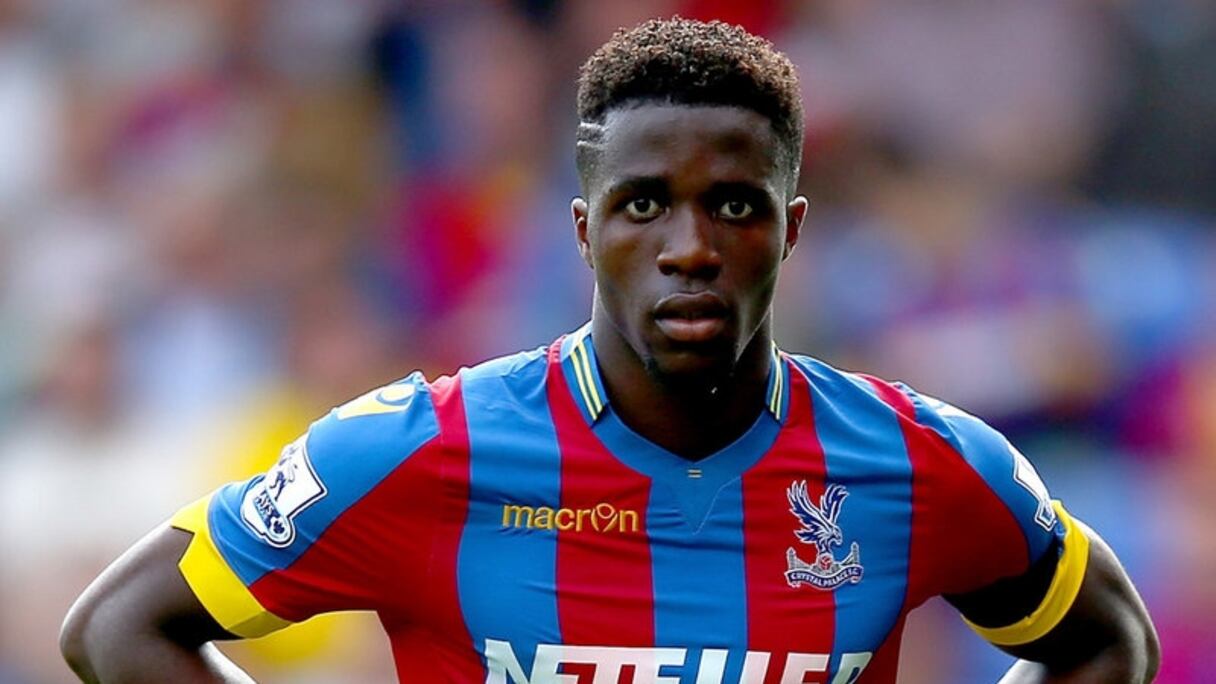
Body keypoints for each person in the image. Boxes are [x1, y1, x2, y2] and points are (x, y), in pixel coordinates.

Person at [60, 18, 1159, 684]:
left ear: (791, 230)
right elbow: (121, 627)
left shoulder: (918, 465)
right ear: (584, 231)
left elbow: (1107, 640)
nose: (690, 248)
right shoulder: (418, 452)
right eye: (643, 205)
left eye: (734, 204)